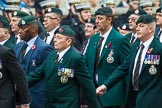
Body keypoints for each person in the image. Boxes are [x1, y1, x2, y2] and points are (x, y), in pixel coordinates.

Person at [96, 14, 162, 108]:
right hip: (132, 97)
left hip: (152, 100)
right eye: (137, 25)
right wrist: (105, 85)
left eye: (141, 26)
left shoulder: (159, 49)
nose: (137, 28)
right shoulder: (135, 47)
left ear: (151, 29)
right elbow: (123, 68)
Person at [27, 25, 101, 108]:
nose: (55, 40)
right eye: (55, 37)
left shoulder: (75, 58)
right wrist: (19, 84)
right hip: (50, 103)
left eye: (58, 38)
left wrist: (95, 105)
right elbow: (37, 74)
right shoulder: (51, 56)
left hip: (66, 104)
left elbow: (87, 84)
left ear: (68, 41)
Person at [85, 7, 130, 108]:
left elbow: (125, 66)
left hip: (112, 93)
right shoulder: (93, 39)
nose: (96, 21)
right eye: (96, 18)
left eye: (100, 18)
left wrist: (107, 85)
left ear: (109, 19)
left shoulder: (120, 39)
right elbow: (85, 61)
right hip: (94, 93)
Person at [14, 15, 54, 108]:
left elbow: (46, 72)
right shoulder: (18, 46)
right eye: (19, 28)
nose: (20, 31)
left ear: (34, 29)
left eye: (23, 28)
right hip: (18, 97)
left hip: (36, 97)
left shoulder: (44, 48)